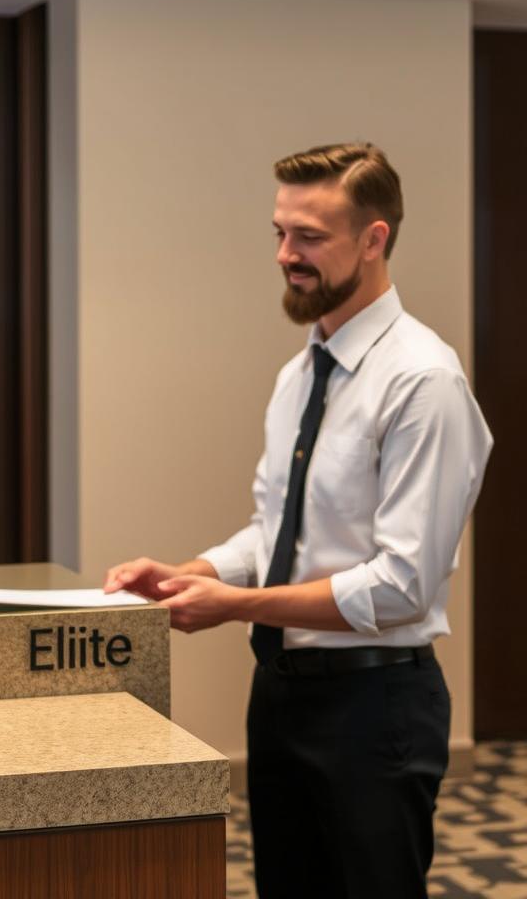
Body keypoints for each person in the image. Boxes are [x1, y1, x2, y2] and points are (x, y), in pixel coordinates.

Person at [104, 142, 492, 899]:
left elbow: (402, 586)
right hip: (281, 699)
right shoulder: (301, 373)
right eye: (281, 233)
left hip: (376, 708)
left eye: (309, 237)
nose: (286, 255)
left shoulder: (423, 380)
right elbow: (278, 533)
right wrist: (193, 574)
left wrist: (235, 606)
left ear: (374, 239)